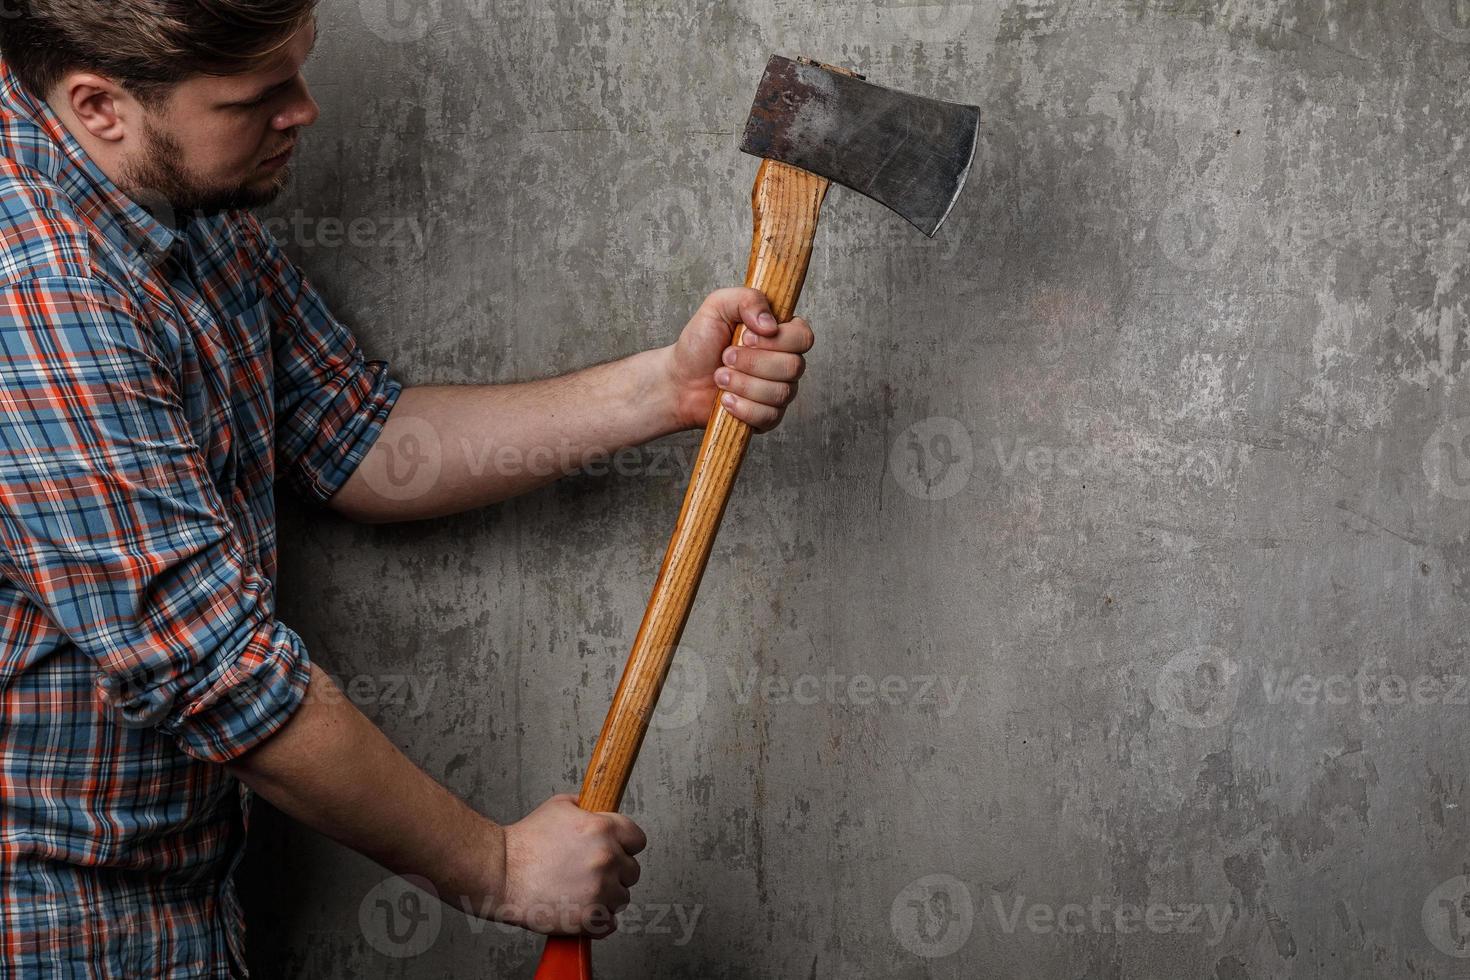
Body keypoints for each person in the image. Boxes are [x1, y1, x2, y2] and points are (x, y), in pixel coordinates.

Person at [0, 2, 813, 976]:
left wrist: (660, 390)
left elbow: (359, 437)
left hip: (186, 893)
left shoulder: (177, 188)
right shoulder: (36, 283)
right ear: (100, 107)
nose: (303, 110)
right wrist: (500, 864)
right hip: (52, 925)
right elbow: (221, 676)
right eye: (259, 96)